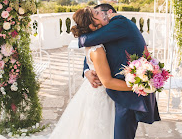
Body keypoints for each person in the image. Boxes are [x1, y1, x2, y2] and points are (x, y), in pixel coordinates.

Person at [79, 3, 161, 139]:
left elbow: (87, 40)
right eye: (97, 14)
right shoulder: (106, 32)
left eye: (100, 13)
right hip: (113, 92)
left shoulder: (120, 23)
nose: (101, 16)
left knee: (122, 135)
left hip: (127, 94)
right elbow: (93, 53)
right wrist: (87, 71)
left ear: (110, 12)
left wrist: (80, 36)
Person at [48, 7, 132, 139]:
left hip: (94, 91)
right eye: (96, 13)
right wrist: (136, 87)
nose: (102, 13)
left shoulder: (95, 41)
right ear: (92, 26)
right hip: (101, 94)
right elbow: (107, 81)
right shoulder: (97, 48)